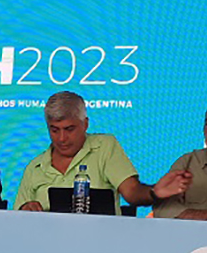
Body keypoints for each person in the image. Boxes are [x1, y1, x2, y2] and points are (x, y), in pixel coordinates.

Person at [15, 91, 188, 213]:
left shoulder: (104, 147)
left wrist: (154, 192)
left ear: (85, 124)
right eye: (54, 130)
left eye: (69, 129)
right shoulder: (35, 167)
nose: (61, 138)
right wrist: (26, 210)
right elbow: (17, 220)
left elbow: (132, 192)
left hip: (101, 244)